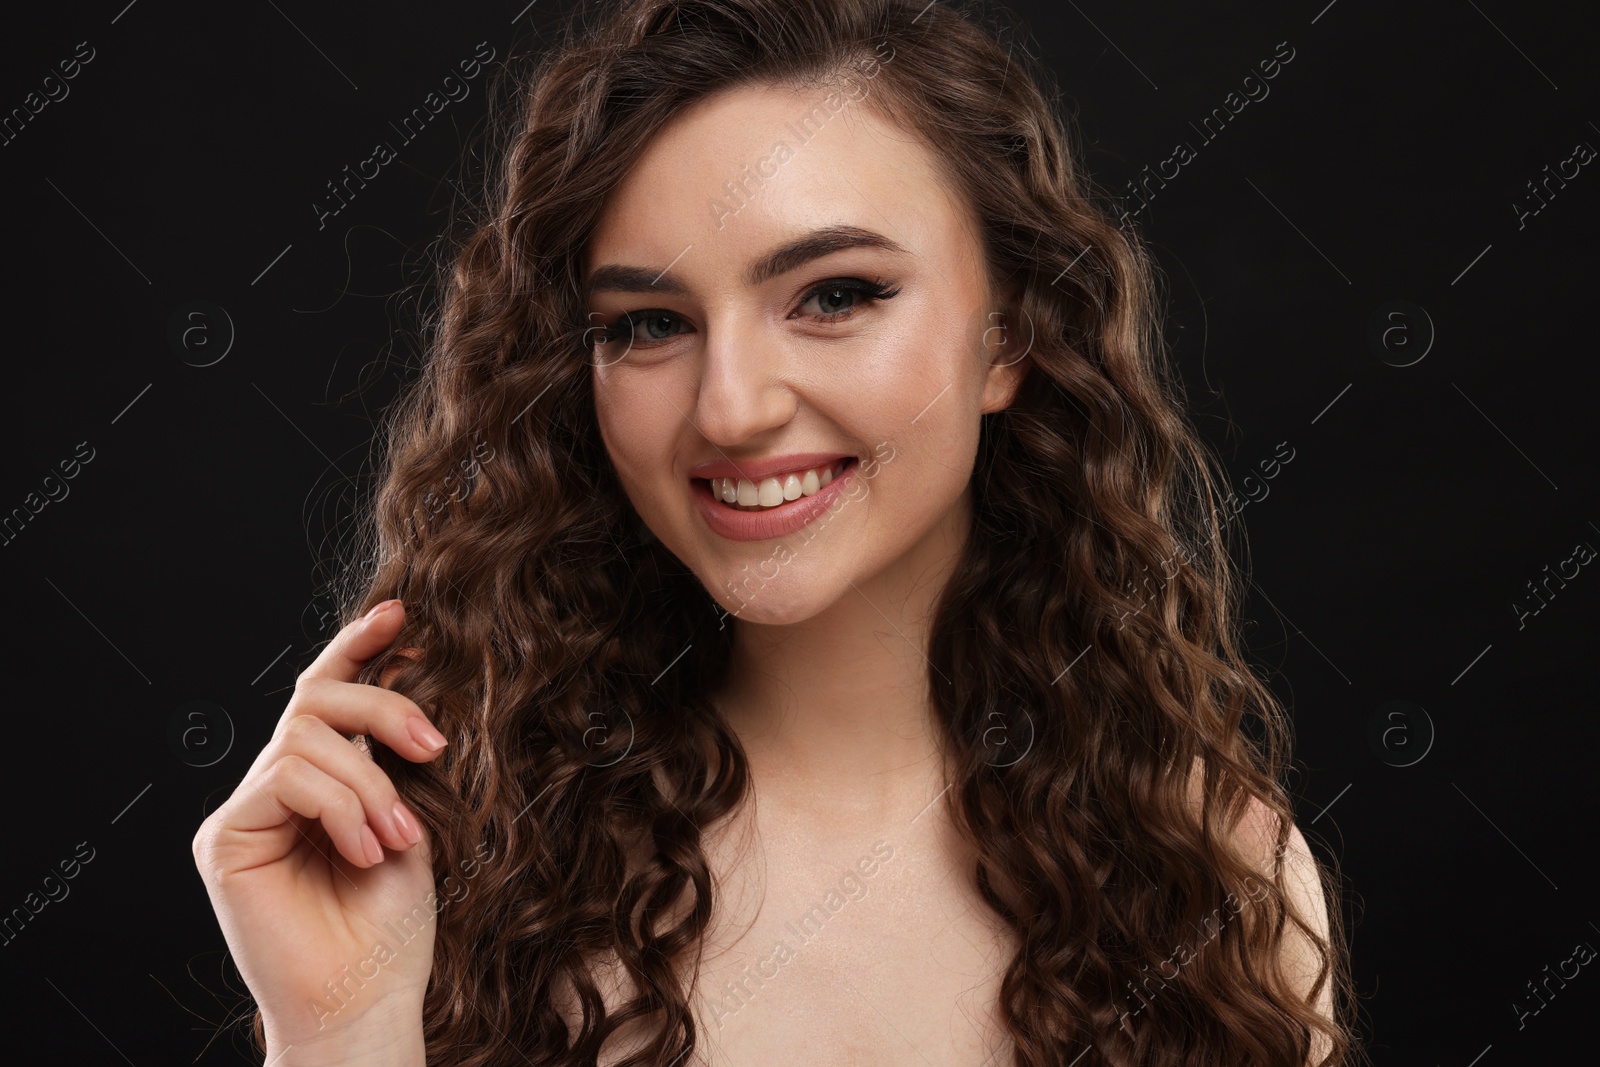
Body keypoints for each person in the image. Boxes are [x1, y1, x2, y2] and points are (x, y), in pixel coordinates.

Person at [191, 0, 1360, 1064]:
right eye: (649, 322)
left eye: (836, 295)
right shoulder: (453, 877)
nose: (731, 407)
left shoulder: (1220, 879)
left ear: (1008, 338)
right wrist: (340, 1030)